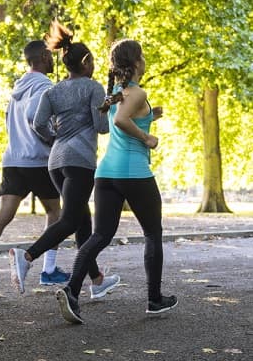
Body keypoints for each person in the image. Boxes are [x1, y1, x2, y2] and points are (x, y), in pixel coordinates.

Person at [56, 38, 177, 324]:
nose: (145, 62)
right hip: (134, 173)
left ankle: (71, 292)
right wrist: (147, 137)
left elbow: (122, 119)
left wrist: (151, 117)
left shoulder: (116, 94)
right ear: (136, 63)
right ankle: (155, 300)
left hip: (106, 174)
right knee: (152, 234)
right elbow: (123, 121)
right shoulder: (135, 92)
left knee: (100, 235)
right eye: (143, 58)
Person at [8, 21, 119, 301]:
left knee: (83, 223)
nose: (94, 65)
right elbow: (101, 127)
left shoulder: (53, 90)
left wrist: (55, 136)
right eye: (92, 60)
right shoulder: (93, 88)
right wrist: (104, 109)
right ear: (86, 62)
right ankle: (27, 256)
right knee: (71, 219)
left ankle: (96, 280)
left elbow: (37, 123)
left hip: (56, 162)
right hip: (80, 161)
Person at [0, 40, 67, 298]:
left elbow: (9, 120)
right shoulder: (45, 85)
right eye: (50, 56)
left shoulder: (18, 87)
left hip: (13, 159)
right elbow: (35, 117)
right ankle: (48, 269)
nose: (53, 60)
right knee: (55, 213)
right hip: (38, 160)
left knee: (3, 215)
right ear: (45, 56)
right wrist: (50, 138)